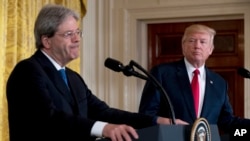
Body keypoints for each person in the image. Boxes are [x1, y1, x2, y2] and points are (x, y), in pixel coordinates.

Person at [6, 4, 188, 141]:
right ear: (47, 41)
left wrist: (157, 122)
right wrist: (104, 129)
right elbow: (49, 119)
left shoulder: (72, 77)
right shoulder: (28, 71)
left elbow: (105, 113)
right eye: (69, 34)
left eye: (78, 32)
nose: (77, 39)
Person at [138, 24, 250, 133]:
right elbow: (147, 115)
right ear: (183, 46)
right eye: (192, 41)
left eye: (203, 42)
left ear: (210, 49)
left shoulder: (219, 83)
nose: (197, 46)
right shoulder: (162, 73)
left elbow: (227, 121)